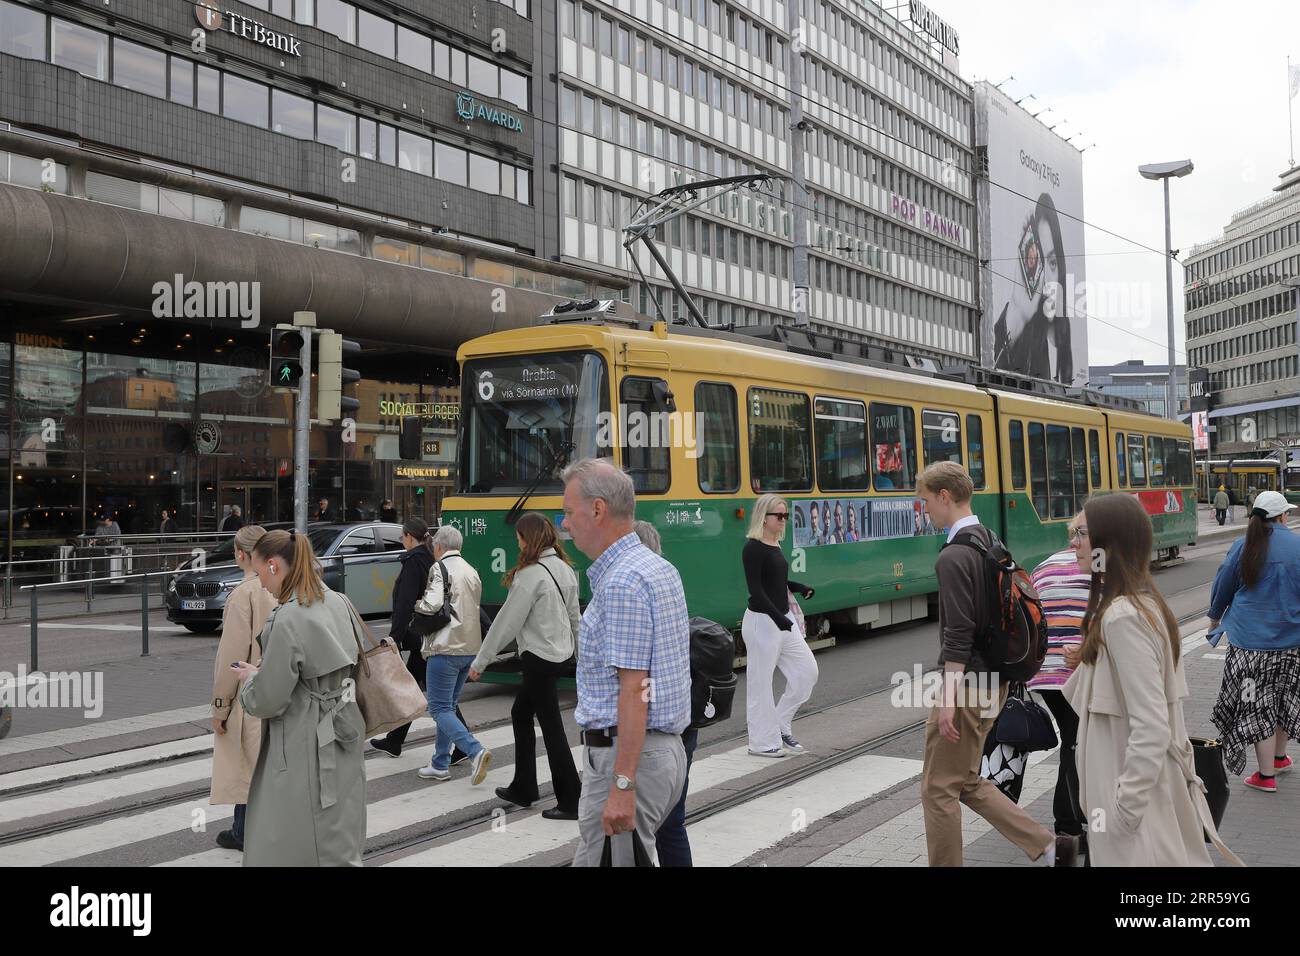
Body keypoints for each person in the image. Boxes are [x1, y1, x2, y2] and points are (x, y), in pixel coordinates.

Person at [1064, 493, 1239, 866]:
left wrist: (1124, 811)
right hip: (1122, 802)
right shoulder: (1132, 606)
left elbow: (1151, 724)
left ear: (1109, 544)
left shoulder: (1123, 616)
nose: (1073, 543)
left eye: (1080, 533)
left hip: (1130, 808)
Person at [916, 461, 1057, 867]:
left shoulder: (954, 556)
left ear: (945, 497)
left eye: (926, 501)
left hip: (968, 685)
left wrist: (947, 698)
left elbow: (958, 635)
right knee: (966, 780)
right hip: (994, 682)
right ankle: (1048, 847)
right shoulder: (989, 539)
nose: (925, 510)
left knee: (938, 789)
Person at [562, 459, 690, 867]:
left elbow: (635, 689)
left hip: (627, 757)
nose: (565, 524)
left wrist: (622, 784)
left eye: (568, 512)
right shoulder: (658, 568)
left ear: (597, 510)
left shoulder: (621, 582)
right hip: (660, 753)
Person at [232, 529, 366, 866]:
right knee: (339, 833)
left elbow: (268, 699)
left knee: (293, 840)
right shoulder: (337, 600)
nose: (261, 582)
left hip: (303, 741)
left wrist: (251, 680)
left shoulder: (287, 617)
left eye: (260, 572)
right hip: (344, 729)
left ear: (275, 566)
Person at [469, 512, 582, 819]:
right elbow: (576, 618)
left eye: (518, 536)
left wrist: (482, 660)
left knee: (552, 728)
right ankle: (524, 786)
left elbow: (506, 622)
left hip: (539, 658)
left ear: (527, 539)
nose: (516, 541)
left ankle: (571, 799)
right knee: (521, 713)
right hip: (560, 655)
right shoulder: (564, 568)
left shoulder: (531, 575)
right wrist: (583, 657)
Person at [1209, 490, 1300, 792]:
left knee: (1258, 704)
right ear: (1283, 516)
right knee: (1284, 698)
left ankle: (1266, 776)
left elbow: (1224, 582)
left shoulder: (1243, 545)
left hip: (1249, 645)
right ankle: (1279, 757)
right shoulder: (1298, 545)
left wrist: (1215, 616)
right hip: (1291, 642)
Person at [1026, 511, 1092, 866]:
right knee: (1078, 741)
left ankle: (1068, 827)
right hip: (1076, 669)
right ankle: (1069, 827)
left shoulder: (1045, 565)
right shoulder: (1100, 567)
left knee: (1073, 738)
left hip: (1044, 671)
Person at [369, 517, 465, 761]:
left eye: (403, 537)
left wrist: (395, 637)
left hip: (420, 636)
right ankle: (394, 741)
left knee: (438, 695)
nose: (402, 541)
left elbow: (404, 603)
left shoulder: (413, 562)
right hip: (431, 634)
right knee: (417, 687)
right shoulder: (432, 558)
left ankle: (464, 745)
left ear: (410, 537)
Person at [209, 525, 274, 852]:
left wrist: (220, 707)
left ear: (241, 554)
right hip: (281, 690)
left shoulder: (243, 594)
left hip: (251, 693)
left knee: (248, 763)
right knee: (269, 763)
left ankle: (243, 831)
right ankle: (248, 829)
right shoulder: (283, 585)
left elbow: (232, 659)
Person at [639, 519, 699, 867]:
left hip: (655, 729)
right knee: (672, 823)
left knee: (640, 827)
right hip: (682, 716)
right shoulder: (670, 577)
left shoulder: (636, 587)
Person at [742, 493, 818, 758]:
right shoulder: (752, 548)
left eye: (786, 515)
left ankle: (781, 725)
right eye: (779, 516)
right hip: (762, 622)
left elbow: (777, 583)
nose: (784, 520)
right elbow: (756, 591)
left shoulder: (774, 544)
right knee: (760, 684)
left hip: (781, 620)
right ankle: (761, 743)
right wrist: (779, 618)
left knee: (807, 672)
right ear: (764, 517)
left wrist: (800, 587)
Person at [416, 525, 492, 784]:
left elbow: (432, 604)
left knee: (438, 708)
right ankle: (440, 763)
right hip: (469, 648)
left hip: (445, 647)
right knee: (447, 706)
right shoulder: (471, 571)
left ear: (438, 546)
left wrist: (417, 605)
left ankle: (475, 751)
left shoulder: (439, 568)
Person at [999, 193, 1074, 385]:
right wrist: (1018, 313)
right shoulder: (1024, 334)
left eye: (1052, 262)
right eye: (1038, 261)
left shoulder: (1065, 342)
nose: (1047, 280)